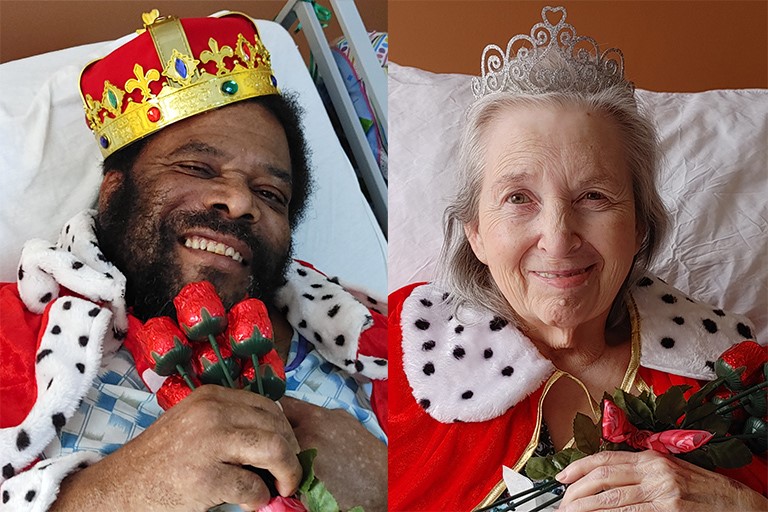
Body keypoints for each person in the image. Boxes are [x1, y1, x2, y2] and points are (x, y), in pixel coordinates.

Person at [0, 10, 387, 512]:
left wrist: (390, 480)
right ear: (114, 187)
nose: (241, 202)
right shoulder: (14, 346)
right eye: (197, 167)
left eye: (270, 193)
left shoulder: (383, 349)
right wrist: (112, 494)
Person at [388, 6, 766, 511]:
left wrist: (740, 504)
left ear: (640, 228)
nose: (558, 238)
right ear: (475, 233)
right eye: (518, 198)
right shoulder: (401, 348)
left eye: (593, 196)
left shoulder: (732, 377)